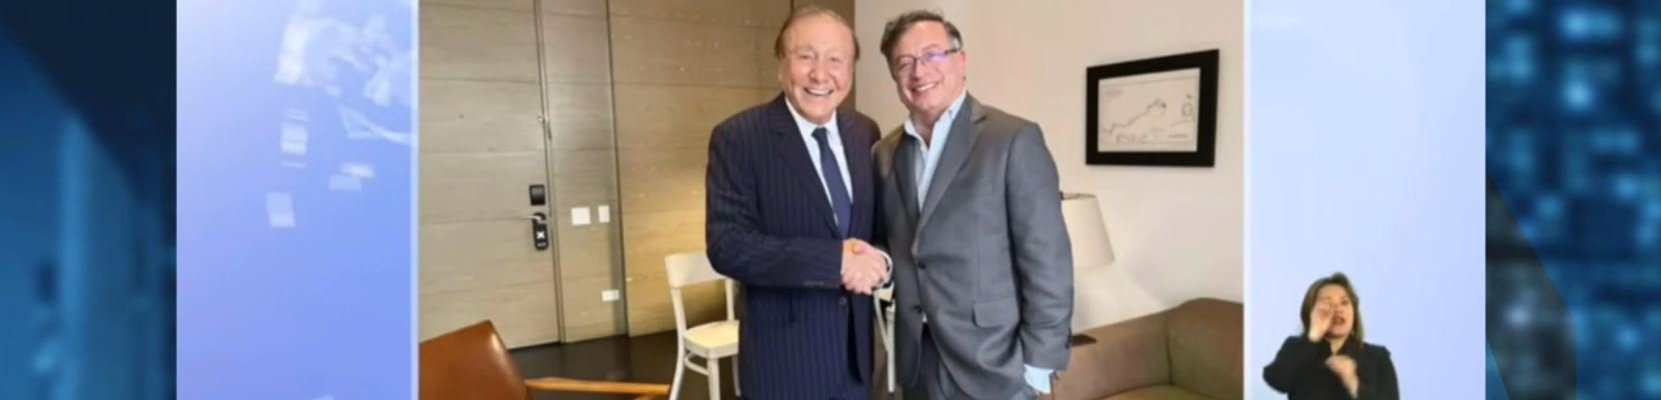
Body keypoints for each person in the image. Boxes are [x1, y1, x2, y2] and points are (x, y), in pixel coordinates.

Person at [869, 10, 1074, 399]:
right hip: (919, 360)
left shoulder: (1012, 139)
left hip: (997, 362)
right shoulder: (884, 153)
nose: (919, 71)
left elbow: (1047, 258)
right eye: (904, 63)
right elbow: (892, 242)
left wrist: (1037, 365)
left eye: (933, 54)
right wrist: (874, 261)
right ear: (895, 76)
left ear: (960, 61)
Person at [704, 6, 889, 400]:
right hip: (785, 366)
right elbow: (728, 246)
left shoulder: (865, 132)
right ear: (781, 65)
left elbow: (878, 230)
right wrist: (833, 260)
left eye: (835, 59)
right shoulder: (739, 137)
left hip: (856, 362)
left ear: (851, 70)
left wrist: (882, 264)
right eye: (806, 56)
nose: (820, 74)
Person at [1264, 272, 1399, 399]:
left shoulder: (1377, 357)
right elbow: (1276, 380)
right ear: (1311, 312)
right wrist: (1313, 336)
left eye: (1344, 303)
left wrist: (1354, 384)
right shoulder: (1296, 348)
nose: (1338, 309)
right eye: (1328, 304)